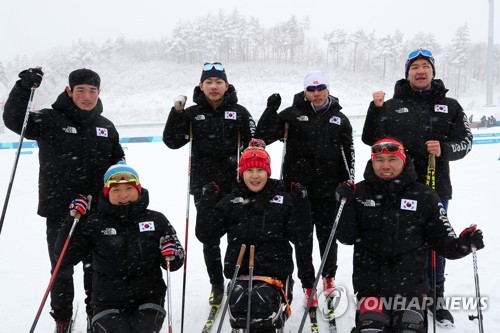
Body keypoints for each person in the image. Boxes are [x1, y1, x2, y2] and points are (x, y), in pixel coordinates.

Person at [3, 68, 125, 332]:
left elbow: (118, 163)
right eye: (80, 90)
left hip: (97, 211)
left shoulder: (106, 126)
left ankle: (97, 312)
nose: (87, 96)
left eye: (92, 91)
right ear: (69, 91)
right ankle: (62, 316)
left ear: (99, 93)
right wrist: (24, 88)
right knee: (61, 267)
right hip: (59, 210)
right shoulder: (50, 119)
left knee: (97, 267)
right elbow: (15, 120)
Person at [362, 49, 473, 326]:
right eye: (415, 67)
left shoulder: (451, 105)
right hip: (397, 187)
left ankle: (436, 296)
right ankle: (401, 296)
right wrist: (374, 110)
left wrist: (445, 148)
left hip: (436, 186)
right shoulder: (391, 105)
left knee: (436, 241)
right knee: (398, 240)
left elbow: (466, 142)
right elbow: (370, 139)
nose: (420, 71)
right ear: (407, 73)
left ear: (433, 72)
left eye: (425, 66)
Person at [335, 137, 484, 333]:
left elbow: (443, 241)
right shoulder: (359, 193)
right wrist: (344, 204)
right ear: (372, 161)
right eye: (379, 160)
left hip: (411, 291)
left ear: (404, 160)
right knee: (371, 330)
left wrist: (463, 244)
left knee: (409, 329)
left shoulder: (425, 196)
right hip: (371, 289)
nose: (385, 165)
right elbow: (346, 237)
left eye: (392, 159)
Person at [256, 70, 354, 306]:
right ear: (305, 91)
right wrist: (270, 111)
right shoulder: (291, 114)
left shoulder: (340, 119)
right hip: (297, 190)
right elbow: (262, 137)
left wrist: (348, 181)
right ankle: (308, 284)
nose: (317, 93)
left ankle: (328, 278)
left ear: (328, 89)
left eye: (321, 88)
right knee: (302, 240)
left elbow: (348, 154)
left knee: (327, 238)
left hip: (329, 189)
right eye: (312, 89)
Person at [195, 139, 315, 332]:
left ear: (268, 172)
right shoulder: (231, 201)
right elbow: (206, 234)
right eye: (249, 170)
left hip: (273, 276)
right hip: (240, 275)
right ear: (241, 173)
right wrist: (206, 203)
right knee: (240, 308)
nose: (255, 176)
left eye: (260, 170)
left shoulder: (282, 200)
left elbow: (301, 236)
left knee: (261, 308)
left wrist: (302, 204)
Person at [163, 62, 256, 305]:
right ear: (201, 86)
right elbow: (172, 142)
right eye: (209, 82)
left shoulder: (240, 112)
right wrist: (176, 112)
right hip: (204, 189)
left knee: (238, 236)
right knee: (210, 239)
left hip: (236, 187)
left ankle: (238, 279)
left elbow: (254, 145)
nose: (214, 87)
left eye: (218, 82)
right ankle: (217, 284)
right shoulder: (192, 113)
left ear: (227, 85)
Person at [55, 162, 184, 333]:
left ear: (138, 190)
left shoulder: (156, 219)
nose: (123, 195)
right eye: (116, 190)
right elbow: (65, 257)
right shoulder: (95, 222)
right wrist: (72, 220)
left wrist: (172, 254)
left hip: (149, 297)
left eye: (129, 189)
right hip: (106, 301)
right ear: (107, 193)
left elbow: (175, 261)